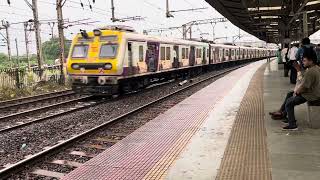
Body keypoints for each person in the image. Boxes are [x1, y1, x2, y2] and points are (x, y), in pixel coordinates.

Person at [269, 48, 320, 130]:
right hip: (313, 92)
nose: (303, 62)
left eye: (304, 61)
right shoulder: (315, 68)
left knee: (289, 102)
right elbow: (305, 83)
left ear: (311, 61)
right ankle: (283, 114)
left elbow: (304, 87)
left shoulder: (311, 71)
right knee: (290, 94)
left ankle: (292, 124)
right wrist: (296, 91)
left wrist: (297, 92)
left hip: (312, 95)